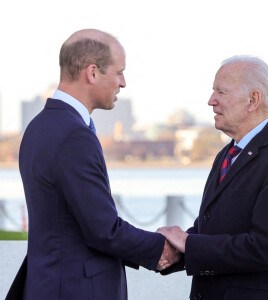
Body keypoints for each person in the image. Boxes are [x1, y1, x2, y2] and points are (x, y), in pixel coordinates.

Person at [6, 29, 179, 300]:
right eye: (119, 72)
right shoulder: (73, 134)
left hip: (47, 284)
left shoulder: (38, 127)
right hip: (75, 290)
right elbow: (103, 229)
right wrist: (165, 249)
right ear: (92, 72)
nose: (123, 82)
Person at [158, 55, 268, 300]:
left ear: (252, 100)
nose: (211, 101)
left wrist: (187, 244)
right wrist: (168, 249)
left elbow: (265, 250)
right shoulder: (228, 153)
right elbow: (212, 230)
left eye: (221, 92)